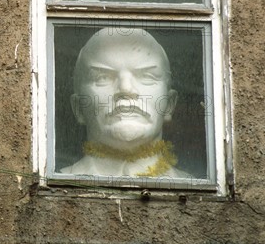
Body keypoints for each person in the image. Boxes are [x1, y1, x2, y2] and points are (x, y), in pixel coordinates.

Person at [60, 28, 190, 178]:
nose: (126, 89)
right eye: (102, 78)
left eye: (147, 76)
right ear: (79, 108)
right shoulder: (60, 179)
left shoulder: (192, 186)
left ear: (169, 104)